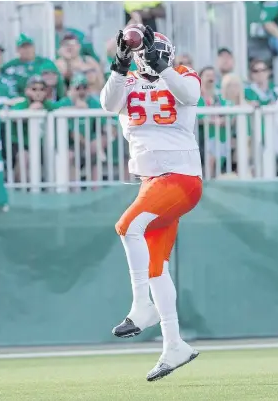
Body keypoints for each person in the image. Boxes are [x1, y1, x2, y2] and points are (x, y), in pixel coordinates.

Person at [100, 25, 202, 381]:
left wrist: (165, 70)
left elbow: (189, 95)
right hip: (152, 183)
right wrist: (118, 65)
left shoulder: (183, 76)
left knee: (127, 226)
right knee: (156, 266)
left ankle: (142, 305)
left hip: (180, 177)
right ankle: (174, 345)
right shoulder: (126, 80)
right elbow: (108, 104)